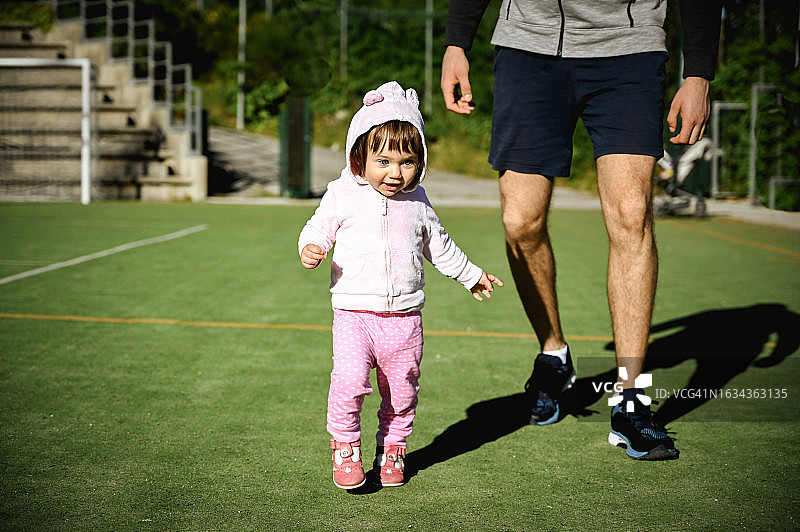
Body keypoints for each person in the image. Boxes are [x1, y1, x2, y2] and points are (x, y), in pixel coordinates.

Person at [440, 0, 722, 460]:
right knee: (520, 221)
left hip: (628, 50)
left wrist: (699, 73)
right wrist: (457, 42)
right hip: (527, 47)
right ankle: (553, 356)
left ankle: (631, 399)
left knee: (632, 216)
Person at [299, 81, 503, 489]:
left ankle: (393, 449)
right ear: (360, 155)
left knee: (402, 393)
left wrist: (471, 275)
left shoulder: (418, 201)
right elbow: (318, 226)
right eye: (384, 160)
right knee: (349, 382)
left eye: (407, 162)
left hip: (404, 319)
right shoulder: (343, 193)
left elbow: (440, 247)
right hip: (354, 313)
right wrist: (313, 245)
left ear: (420, 162)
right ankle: (345, 447)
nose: (395, 172)